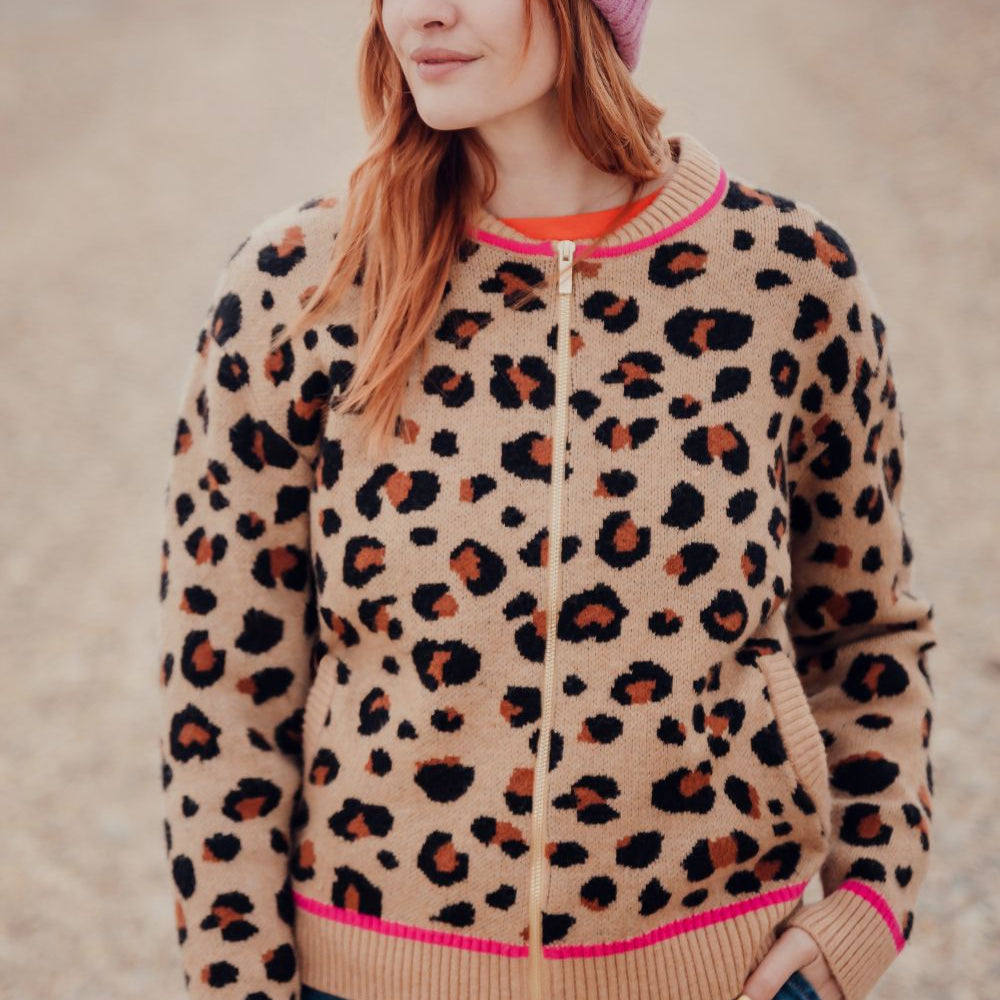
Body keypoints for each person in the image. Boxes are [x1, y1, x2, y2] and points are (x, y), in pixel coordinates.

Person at [155, 2, 938, 1000]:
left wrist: (860, 916)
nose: (423, 13)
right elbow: (222, 685)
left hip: (717, 974)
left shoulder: (787, 278)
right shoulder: (299, 284)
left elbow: (867, 633)